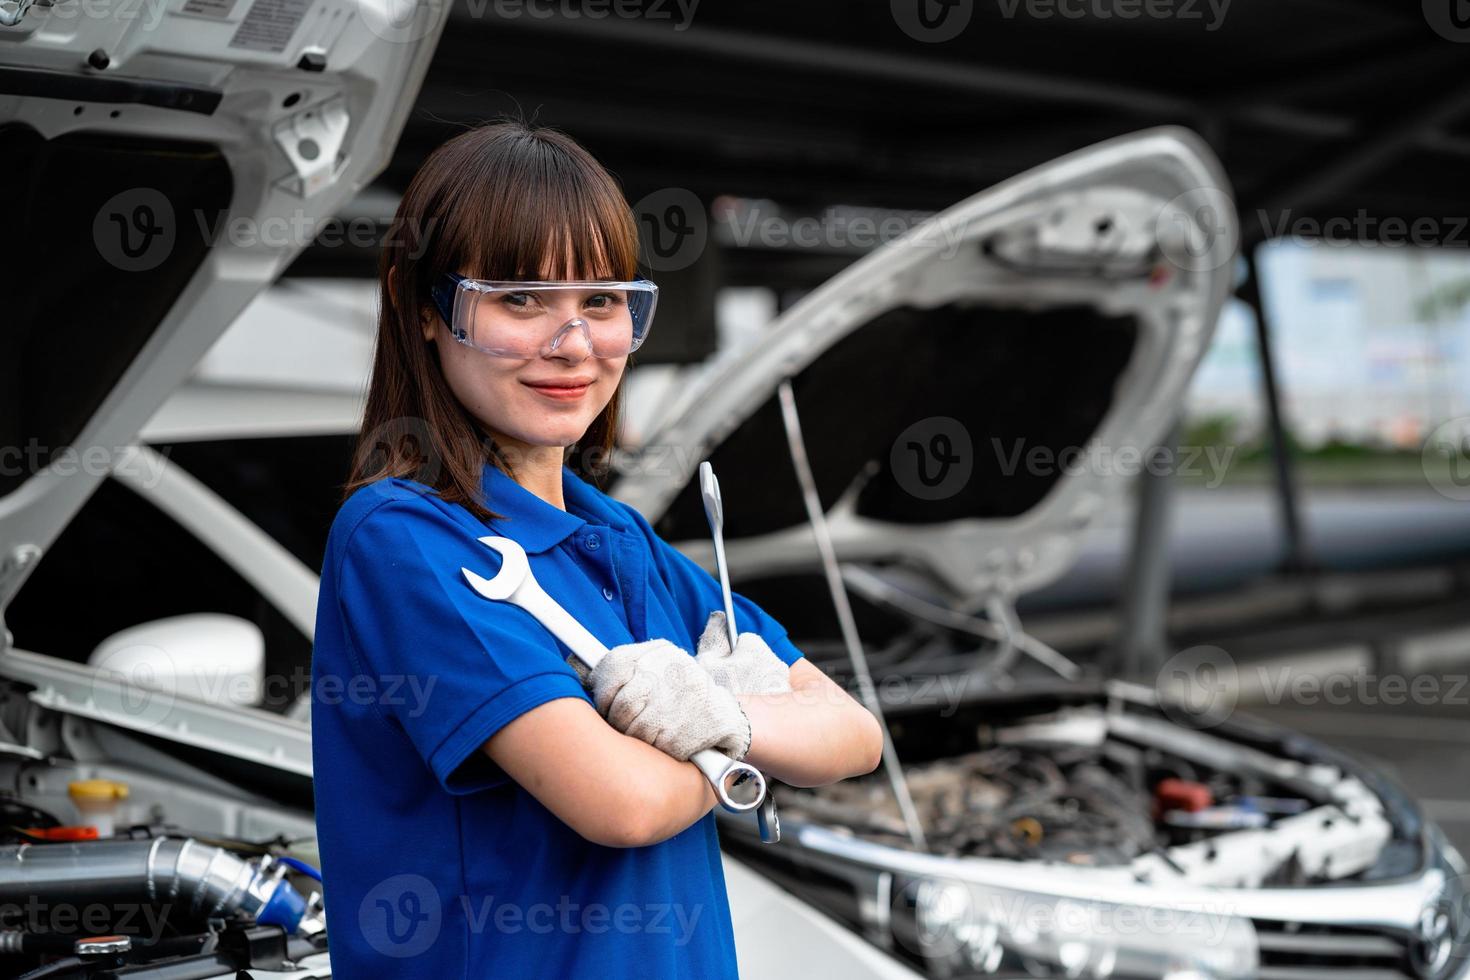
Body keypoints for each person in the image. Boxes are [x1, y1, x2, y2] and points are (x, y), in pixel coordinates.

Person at [309, 119, 883, 979]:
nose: (572, 345)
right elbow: (620, 802)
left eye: (602, 301)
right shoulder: (403, 539)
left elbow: (855, 734)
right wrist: (750, 745)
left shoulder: (619, 538)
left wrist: (725, 716)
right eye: (521, 299)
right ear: (421, 308)